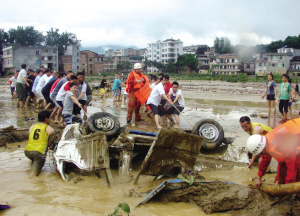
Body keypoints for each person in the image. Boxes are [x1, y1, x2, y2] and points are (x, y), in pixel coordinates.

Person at [246, 118, 300, 189]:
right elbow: (264, 161)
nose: (261, 155)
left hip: (297, 134)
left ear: (263, 149)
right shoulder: (266, 143)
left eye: (261, 153)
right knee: (282, 166)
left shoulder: (282, 146)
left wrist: (287, 187)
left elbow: (292, 167)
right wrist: (259, 178)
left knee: (298, 166)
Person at [24, 110, 54, 176]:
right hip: (39, 152)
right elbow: (48, 144)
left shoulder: (32, 126)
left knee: (34, 160)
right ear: (46, 119)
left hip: (27, 151)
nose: (50, 120)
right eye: (49, 118)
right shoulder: (49, 128)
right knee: (34, 175)